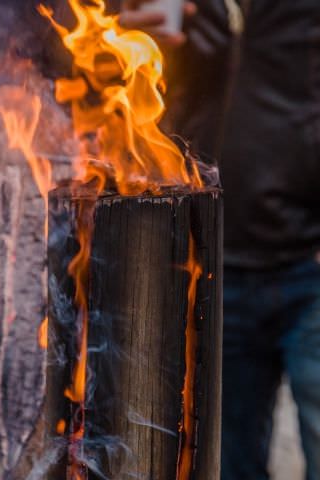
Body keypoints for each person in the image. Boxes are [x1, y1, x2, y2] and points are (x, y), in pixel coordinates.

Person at [120, 1, 320, 479]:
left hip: (309, 260)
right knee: (222, 458)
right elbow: (74, 61)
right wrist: (126, 32)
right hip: (209, 264)